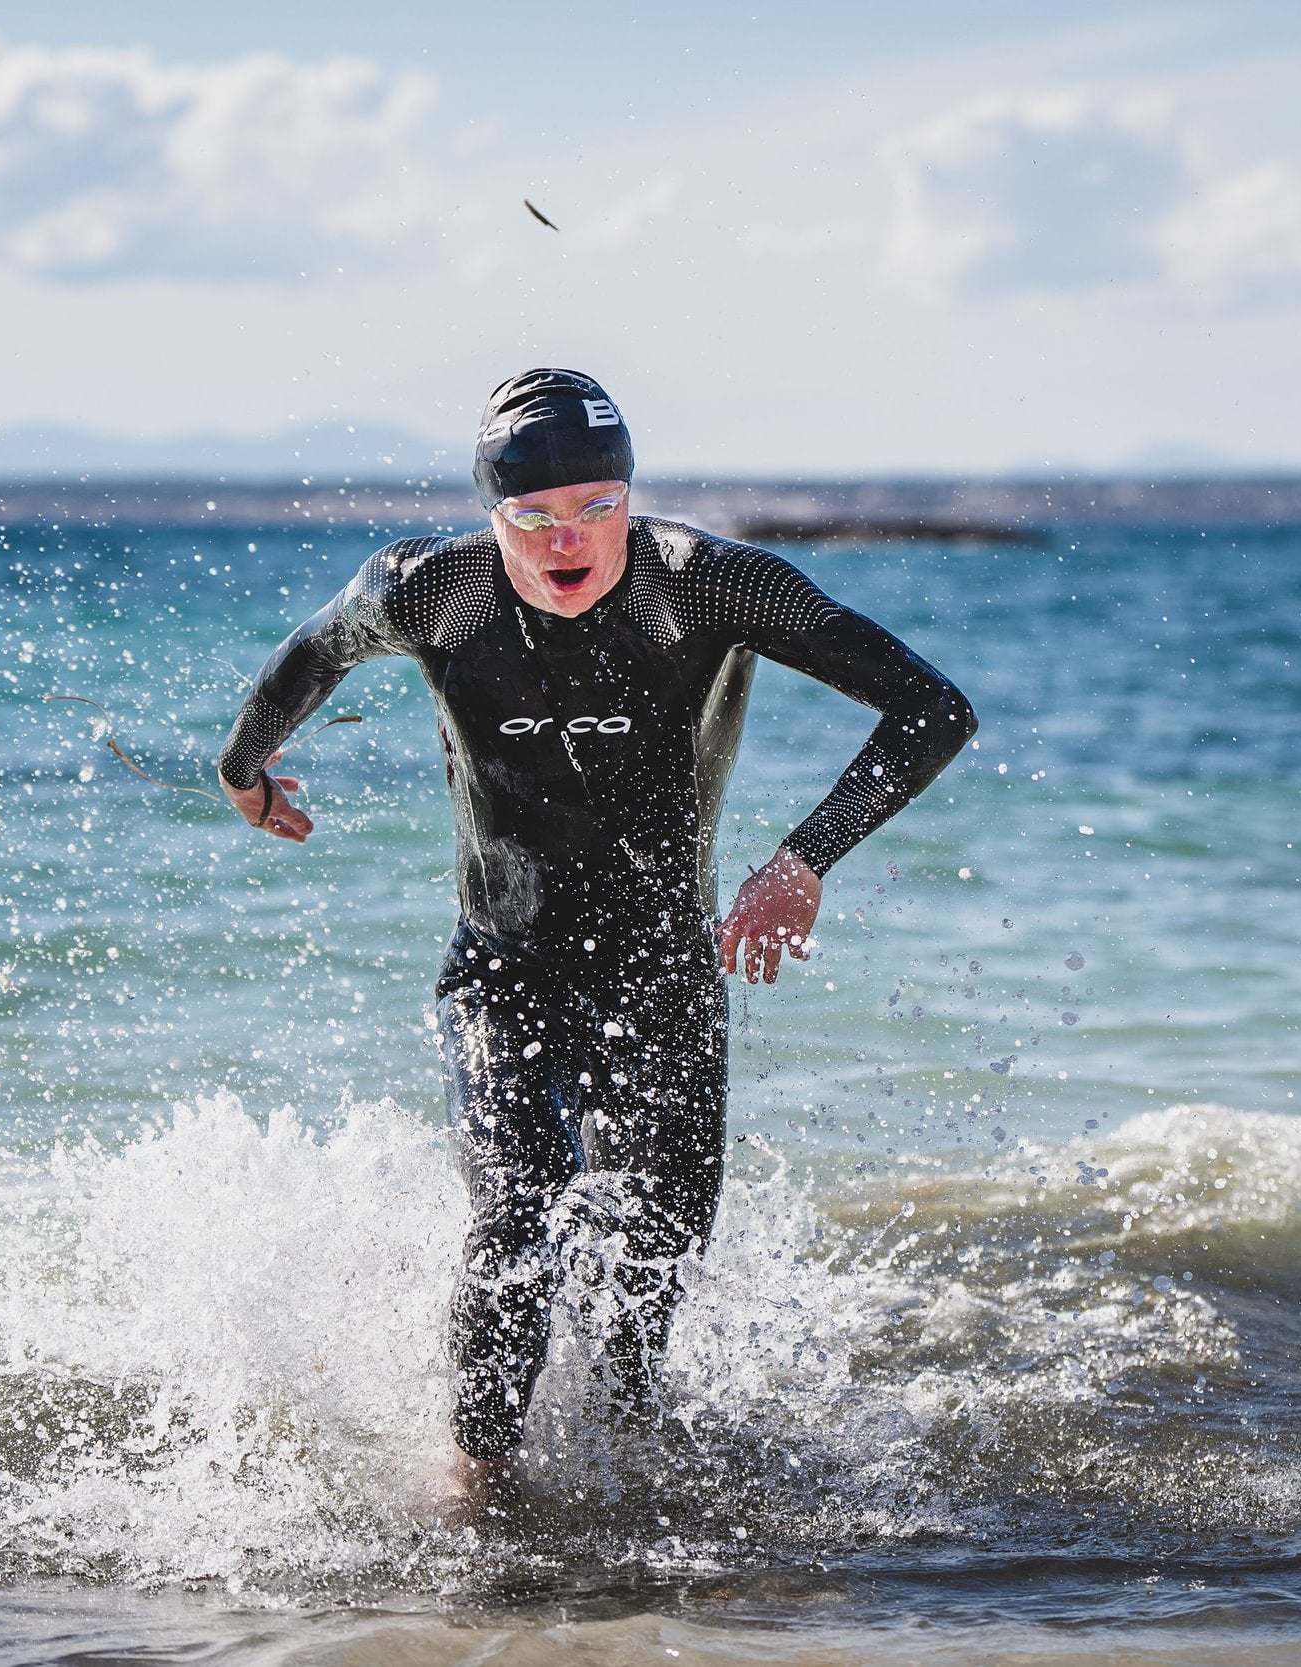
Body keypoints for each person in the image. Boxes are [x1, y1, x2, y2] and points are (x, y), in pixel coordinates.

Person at [217, 368, 974, 1487]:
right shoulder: (436, 592)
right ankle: (477, 1492)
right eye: (532, 517)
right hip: (501, 964)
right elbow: (311, 653)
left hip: (663, 970)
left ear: (628, 497)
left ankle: (625, 1515)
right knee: (513, 1218)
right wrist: (242, 769)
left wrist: (804, 857)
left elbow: (931, 709)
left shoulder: (708, 585)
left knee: (650, 1276)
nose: (566, 541)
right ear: (493, 514)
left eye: (594, 509)